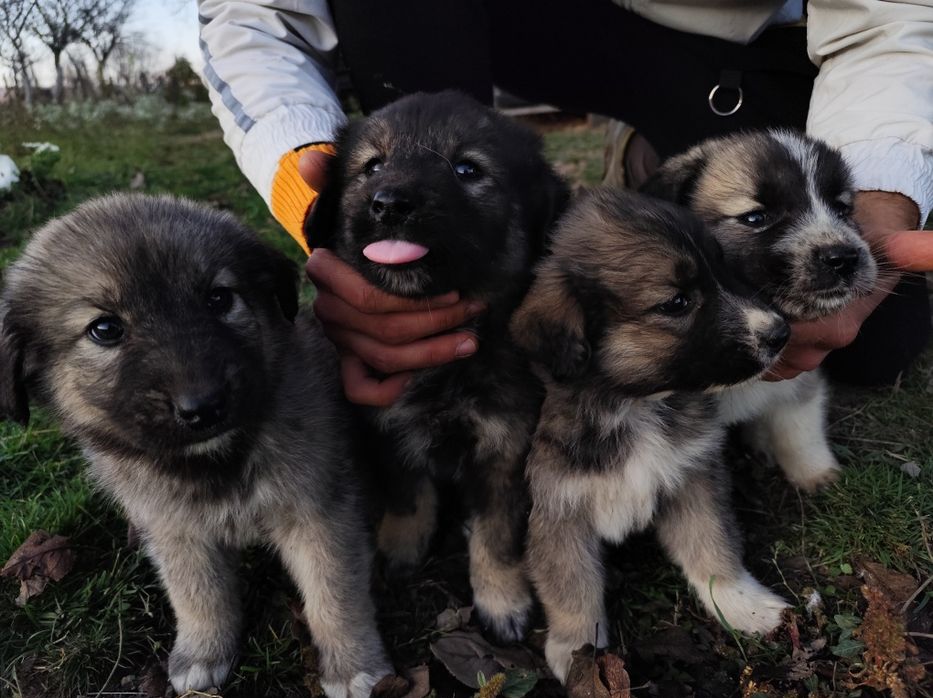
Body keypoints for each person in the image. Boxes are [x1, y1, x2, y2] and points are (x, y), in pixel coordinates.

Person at [197, 0, 933, 406]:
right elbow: (254, 16)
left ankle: (661, 162)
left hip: (729, 41)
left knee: (871, 340)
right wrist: (321, 201)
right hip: (527, 24)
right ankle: (459, 301)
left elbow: (894, 20)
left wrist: (879, 193)